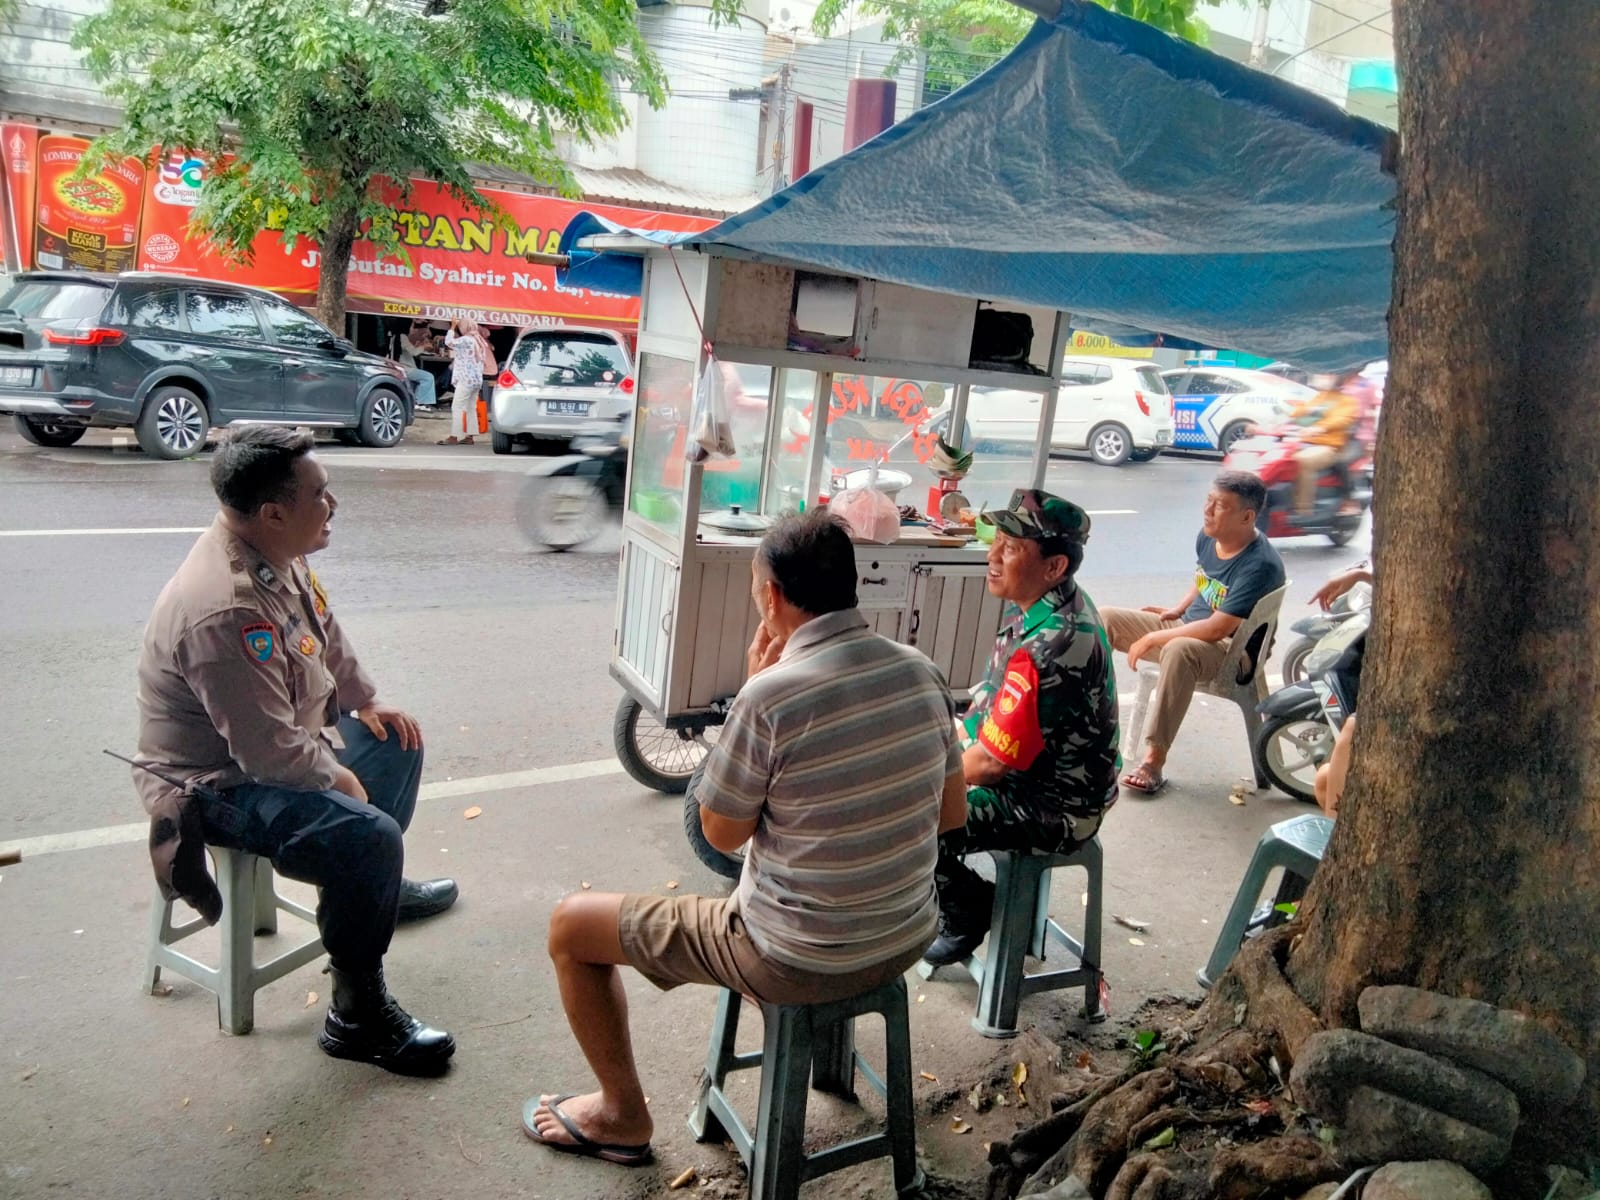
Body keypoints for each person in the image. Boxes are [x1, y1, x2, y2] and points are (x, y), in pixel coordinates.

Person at [523, 512, 965, 1167]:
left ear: (771, 597)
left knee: (570, 927)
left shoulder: (772, 696)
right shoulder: (923, 672)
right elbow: (949, 815)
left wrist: (755, 688)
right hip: (905, 936)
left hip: (795, 956)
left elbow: (719, 831)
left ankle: (621, 1115)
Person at [133, 426, 459, 1075]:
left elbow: (322, 632)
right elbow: (267, 753)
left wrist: (365, 700)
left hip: (267, 747)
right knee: (367, 834)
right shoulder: (226, 608)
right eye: (321, 494)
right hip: (213, 786)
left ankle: (369, 892)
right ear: (273, 511)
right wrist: (338, 779)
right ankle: (356, 1013)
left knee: (395, 742)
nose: (333, 505)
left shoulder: (277, 549)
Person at [922, 489, 1122, 966]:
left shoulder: (1055, 641)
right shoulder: (1040, 600)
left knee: (913, 816)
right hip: (1029, 774)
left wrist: (919, 779)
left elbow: (989, 765)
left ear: (1054, 566)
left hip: (1054, 803)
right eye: (998, 541)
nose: (992, 556)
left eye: (1011, 548)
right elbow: (993, 710)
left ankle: (967, 905)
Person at [1102, 471, 1286, 796]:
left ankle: (1152, 762)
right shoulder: (1209, 536)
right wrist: (1177, 608)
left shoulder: (1259, 564)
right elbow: (1203, 577)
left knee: (1178, 649)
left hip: (1232, 650)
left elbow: (1218, 628)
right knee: (1105, 618)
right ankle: (1084, 718)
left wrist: (1153, 638)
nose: (1208, 509)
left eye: (1220, 505)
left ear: (1247, 516)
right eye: (1209, 500)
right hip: (1189, 627)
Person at [1279, 371, 1361, 516]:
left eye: (1329, 375)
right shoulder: (1320, 398)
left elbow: (1341, 419)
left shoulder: (1346, 401)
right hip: (1306, 442)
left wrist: (1320, 428)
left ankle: (1303, 508)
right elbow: (1302, 416)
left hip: (1329, 447)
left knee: (1303, 460)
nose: (1323, 377)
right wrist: (1288, 416)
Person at [439, 318, 489, 445]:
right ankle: (470, 436)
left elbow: (449, 342)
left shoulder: (467, 340)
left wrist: (452, 327)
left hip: (466, 379)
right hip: (476, 380)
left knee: (457, 407)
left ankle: (454, 436)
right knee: (470, 407)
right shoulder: (479, 340)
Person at [392, 320, 438, 409]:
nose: (412, 328)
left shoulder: (395, 335)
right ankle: (419, 402)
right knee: (428, 377)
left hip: (400, 366)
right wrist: (424, 347)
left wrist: (419, 346)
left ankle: (420, 401)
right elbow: (413, 352)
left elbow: (409, 349)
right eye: (411, 326)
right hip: (404, 368)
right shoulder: (402, 337)